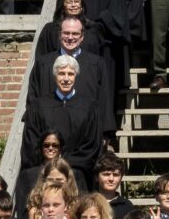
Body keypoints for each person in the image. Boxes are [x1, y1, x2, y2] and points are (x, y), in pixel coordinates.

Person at [28, 55, 111, 193]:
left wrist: (66, 162)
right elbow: (32, 140)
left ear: (76, 76)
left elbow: (92, 144)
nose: (66, 79)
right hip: (46, 174)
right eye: (61, 74)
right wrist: (51, 164)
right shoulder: (39, 106)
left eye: (70, 74)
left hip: (78, 176)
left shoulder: (90, 107)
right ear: (55, 76)